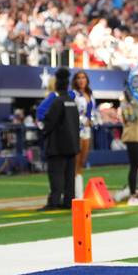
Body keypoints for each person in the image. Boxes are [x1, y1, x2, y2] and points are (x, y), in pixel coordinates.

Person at [39, 68, 80, 210]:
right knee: (69, 176)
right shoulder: (72, 102)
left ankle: (54, 202)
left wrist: (43, 130)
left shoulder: (57, 102)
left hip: (57, 146)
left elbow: (49, 123)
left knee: (56, 175)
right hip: (72, 145)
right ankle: (69, 201)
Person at [72, 71, 97, 199]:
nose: (81, 80)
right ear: (75, 81)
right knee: (75, 162)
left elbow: (93, 111)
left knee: (82, 161)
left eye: (83, 78)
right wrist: (82, 120)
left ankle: (79, 192)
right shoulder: (73, 95)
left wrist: (93, 120)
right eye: (78, 78)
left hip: (87, 130)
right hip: (77, 130)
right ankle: (77, 195)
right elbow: (71, 112)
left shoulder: (90, 94)